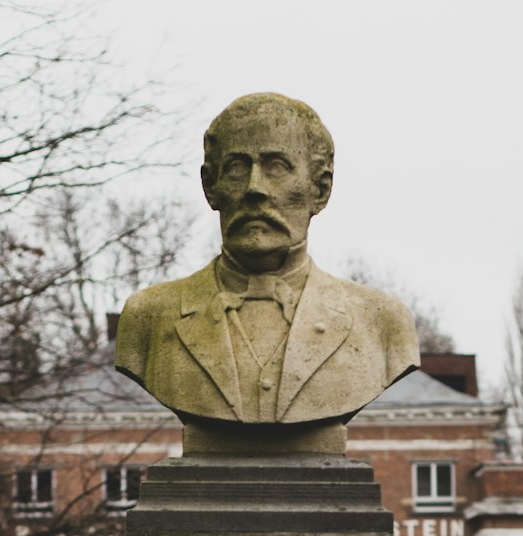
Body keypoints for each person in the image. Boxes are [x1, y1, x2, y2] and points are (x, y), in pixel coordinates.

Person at [114, 93, 419, 449]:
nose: (254, 188)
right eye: (236, 168)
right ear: (210, 188)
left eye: (276, 167)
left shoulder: (382, 324)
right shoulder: (149, 318)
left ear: (319, 190)